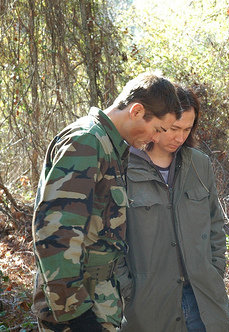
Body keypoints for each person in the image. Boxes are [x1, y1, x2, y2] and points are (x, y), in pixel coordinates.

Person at [32, 72, 181, 331]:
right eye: (157, 129)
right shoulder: (86, 141)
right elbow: (55, 234)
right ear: (136, 111)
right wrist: (78, 317)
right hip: (76, 311)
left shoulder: (108, 145)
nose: (157, 139)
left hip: (98, 302)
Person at [121, 85, 229, 332]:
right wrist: (127, 290)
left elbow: (215, 223)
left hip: (203, 301)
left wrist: (215, 270)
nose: (180, 137)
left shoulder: (199, 164)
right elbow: (112, 240)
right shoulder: (123, 168)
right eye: (173, 128)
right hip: (148, 307)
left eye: (187, 129)